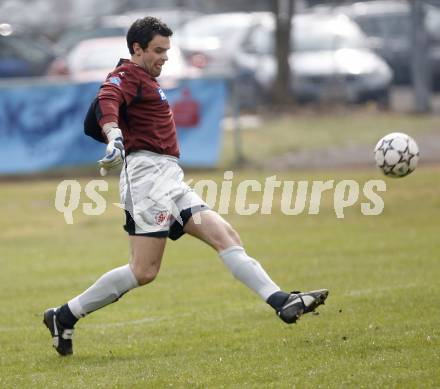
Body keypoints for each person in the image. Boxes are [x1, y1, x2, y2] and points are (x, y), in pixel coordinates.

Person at [43, 16, 328, 356]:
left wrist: (114, 129)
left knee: (226, 237)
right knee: (144, 271)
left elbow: (103, 110)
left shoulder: (146, 79)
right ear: (137, 49)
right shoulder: (127, 75)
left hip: (168, 177)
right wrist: (114, 134)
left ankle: (281, 301)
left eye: (167, 50)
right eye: (158, 50)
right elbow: (107, 99)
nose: (164, 56)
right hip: (146, 178)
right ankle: (64, 315)